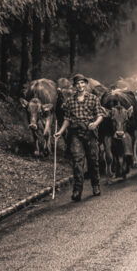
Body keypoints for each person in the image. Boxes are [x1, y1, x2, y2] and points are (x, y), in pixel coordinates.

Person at [54, 73, 106, 202]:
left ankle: (96, 185)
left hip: (90, 133)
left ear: (86, 84)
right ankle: (77, 190)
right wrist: (60, 131)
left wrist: (95, 123)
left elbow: (100, 114)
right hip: (76, 133)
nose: (80, 85)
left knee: (93, 160)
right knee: (78, 162)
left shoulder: (93, 98)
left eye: (82, 83)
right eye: (77, 84)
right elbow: (67, 119)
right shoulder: (70, 101)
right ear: (74, 86)